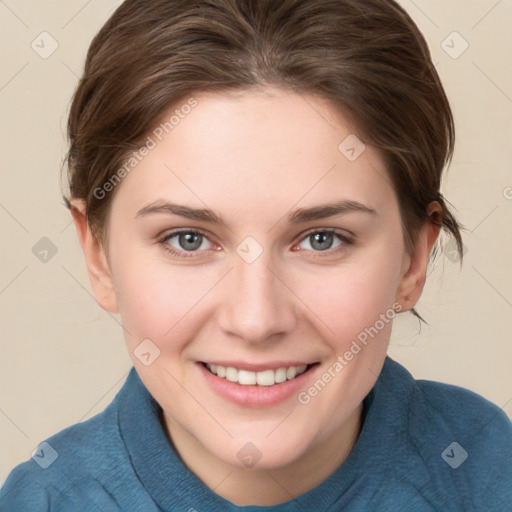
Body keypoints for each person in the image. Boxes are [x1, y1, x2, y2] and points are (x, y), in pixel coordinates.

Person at [1, 0, 511, 510]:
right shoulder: (43, 500)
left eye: (322, 239)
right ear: (98, 255)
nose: (255, 320)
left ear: (413, 259)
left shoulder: (487, 471)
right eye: (188, 239)